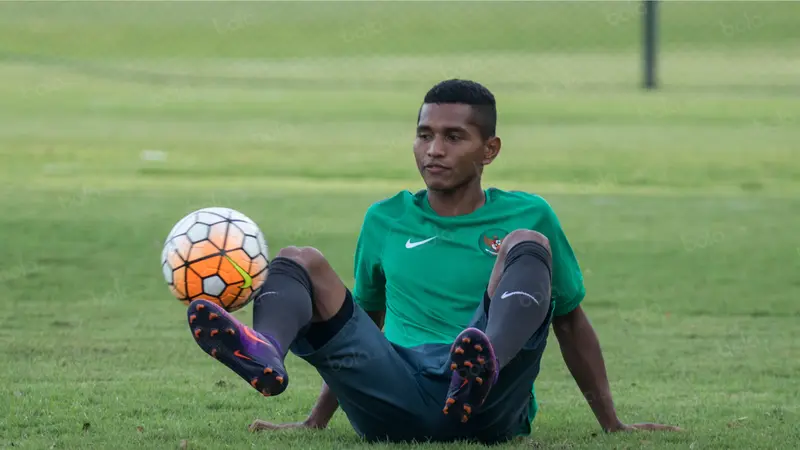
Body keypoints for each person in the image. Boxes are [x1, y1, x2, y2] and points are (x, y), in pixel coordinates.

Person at [187, 79, 680, 444]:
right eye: (424, 135)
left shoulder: (530, 213)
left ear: (490, 149)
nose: (434, 150)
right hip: (393, 393)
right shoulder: (386, 218)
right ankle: (265, 348)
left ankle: (480, 365)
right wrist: (315, 420)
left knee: (525, 242)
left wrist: (612, 423)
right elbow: (362, 324)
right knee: (301, 259)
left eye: (453, 137)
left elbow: (569, 322)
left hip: (487, 407)